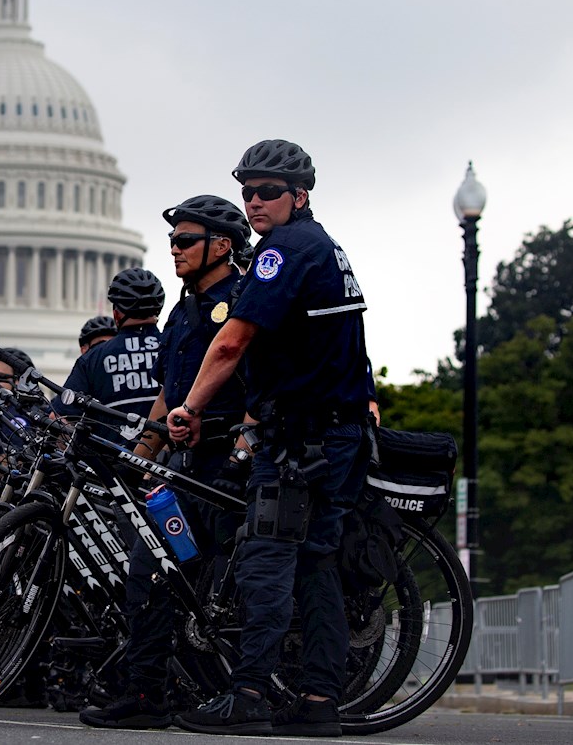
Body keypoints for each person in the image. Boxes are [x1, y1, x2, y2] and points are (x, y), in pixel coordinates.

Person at [167, 140, 375, 737]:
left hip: (301, 443)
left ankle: (250, 693)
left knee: (265, 562)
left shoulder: (283, 252)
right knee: (316, 567)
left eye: (268, 192)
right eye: (247, 191)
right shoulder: (326, 246)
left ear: (299, 195)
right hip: (334, 434)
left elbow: (232, 341)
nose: (254, 202)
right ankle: (317, 701)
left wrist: (190, 407)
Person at [80, 195, 253, 730]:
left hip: (227, 461)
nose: (173, 249)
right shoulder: (183, 310)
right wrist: (142, 452)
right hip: (183, 462)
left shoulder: (242, 301)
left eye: (184, 240)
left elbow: (260, 378)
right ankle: (147, 691)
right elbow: (167, 391)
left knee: (226, 581)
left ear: (221, 245)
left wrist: (244, 441)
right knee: (151, 570)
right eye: (172, 241)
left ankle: (232, 687)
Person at [52, 268, 166, 449]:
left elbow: (58, 417)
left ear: (116, 314)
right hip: (170, 466)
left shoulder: (93, 358)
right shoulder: (175, 347)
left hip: (109, 468)